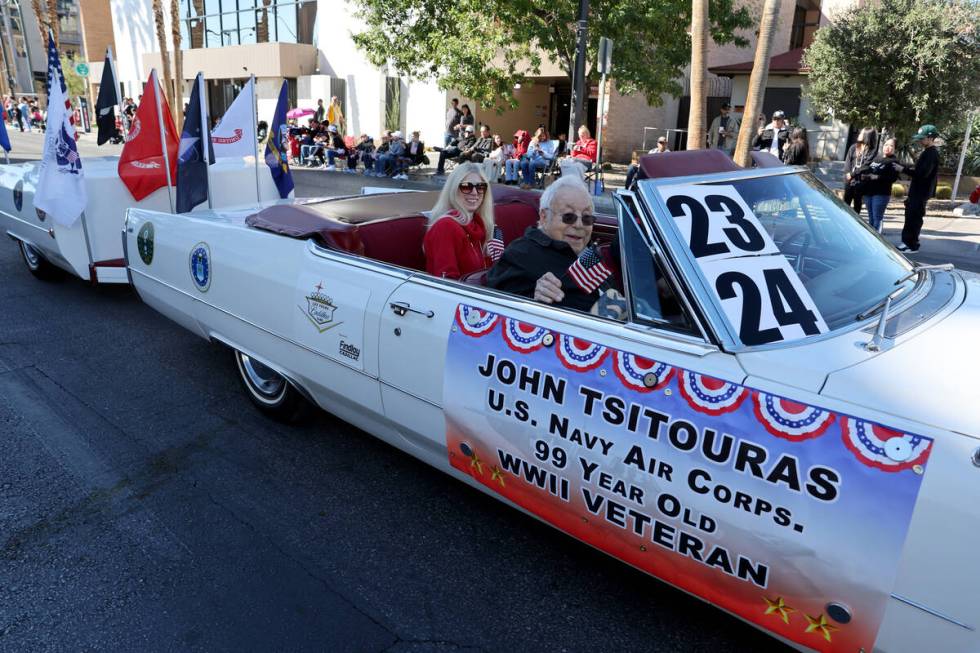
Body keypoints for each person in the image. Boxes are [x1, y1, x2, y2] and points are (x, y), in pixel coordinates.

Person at [487, 175, 600, 312]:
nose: (579, 225)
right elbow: (496, 306)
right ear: (544, 217)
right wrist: (532, 298)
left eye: (587, 218)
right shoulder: (521, 254)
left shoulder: (592, 253)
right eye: (568, 216)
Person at [423, 163, 496, 279]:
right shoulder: (445, 227)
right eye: (466, 186)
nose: (475, 192)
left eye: (480, 187)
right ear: (453, 190)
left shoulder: (478, 226)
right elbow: (447, 283)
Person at [897, 124, 941, 252]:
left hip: (921, 192)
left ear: (931, 138)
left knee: (914, 218)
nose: (920, 141)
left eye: (923, 138)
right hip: (917, 191)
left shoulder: (932, 154)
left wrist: (904, 169)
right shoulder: (927, 152)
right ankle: (906, 242)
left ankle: (912, 244)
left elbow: (922, 174)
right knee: (910, 216)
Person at [857, 136, 900, 233]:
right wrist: (865, 175)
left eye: (891, 146)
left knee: (877, 217)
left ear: (895, 149)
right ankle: (871, 236)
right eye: (886, 145)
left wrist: (877, 177)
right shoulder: (877, 158)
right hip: (869, 191)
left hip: (881, 193)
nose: (888, 147)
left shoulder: (894, 161)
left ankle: (877, 239)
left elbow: (893, 178)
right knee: (871, 217)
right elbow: (868, 169)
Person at [843, 127, 877, 215]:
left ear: (867, 136)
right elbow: (848, 162)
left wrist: (852, 174)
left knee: (857, 206)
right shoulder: (854, 147)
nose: (859, 135)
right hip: (849, 181)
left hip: (861, 182)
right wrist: (848, 174)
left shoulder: (872, 151)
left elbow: (866, 166)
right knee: (845, 205)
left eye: (862, 133)